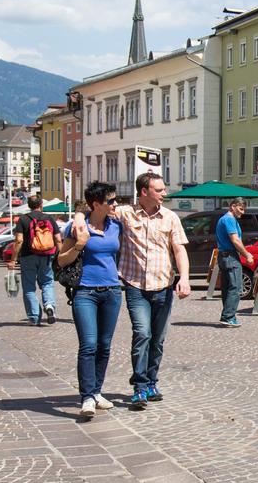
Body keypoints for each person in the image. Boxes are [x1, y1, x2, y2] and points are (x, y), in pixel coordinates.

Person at [78, 172, 190, 409]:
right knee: (142, 334)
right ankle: (139, 387)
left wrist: (185, 278)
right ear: (144, 192)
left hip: (163, 286)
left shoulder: (170, 217)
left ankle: (151, 381)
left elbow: (179, 250)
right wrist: (79, 216)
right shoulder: (125, 214)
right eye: (159, 190)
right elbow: (94, 207)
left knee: (157, 340)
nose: (164, 193)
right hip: (135, 286)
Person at [57, 182, 122, 418]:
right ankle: (86, 397)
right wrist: (80, 245)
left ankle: (96, 392)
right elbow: (62, 260)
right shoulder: (76, 229)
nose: (115, 204)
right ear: (97, 204)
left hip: (113, 291)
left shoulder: (116, 224)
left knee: (104, 345)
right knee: (89, 345)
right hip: (85, 292)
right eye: (111, 201)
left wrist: (79, 215)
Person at [9, 196, 61, 326]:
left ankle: (34, 316)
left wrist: (13, 259)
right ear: (41, 204)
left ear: (29, 205)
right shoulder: (49, 218)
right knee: (47, 282)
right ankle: (49, 306)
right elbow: (58, 239)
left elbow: (19, 240)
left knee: (29, 287)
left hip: (28, 256)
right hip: (47, 255)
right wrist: (60, 256)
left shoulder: (23, 219)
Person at [215, 197, 254, 327]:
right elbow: (235, 240)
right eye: (240, 208)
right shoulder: (230, 219)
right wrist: (247, 254)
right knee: (236, 287)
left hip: (223, 256)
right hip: (231, 256)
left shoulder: (223, 219)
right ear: (233, 206)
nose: (242, 212)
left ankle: (227, 315)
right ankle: (228, 316)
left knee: (227, 287)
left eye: (244, 209)